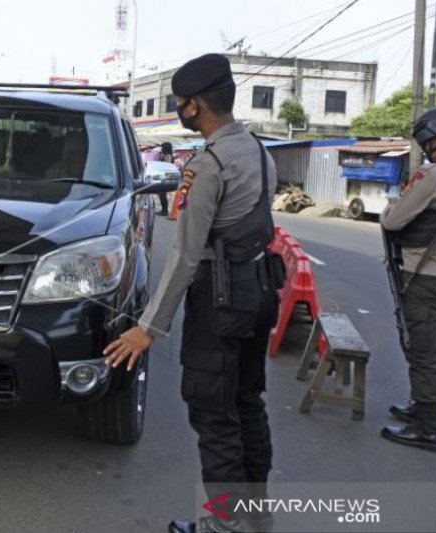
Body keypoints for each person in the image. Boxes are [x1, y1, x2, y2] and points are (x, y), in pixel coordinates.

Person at [103, 54, 279, 533]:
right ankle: (254, 517)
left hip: (220, 298)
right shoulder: (259, 151)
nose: (181, 110)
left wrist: (147, 329)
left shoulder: (209, 164)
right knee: (247, 402)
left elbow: (184, 256)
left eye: (181, 104)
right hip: (261, 288)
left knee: (213, 412)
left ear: (194, 107)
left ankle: (222, 526)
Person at [380, 106, 436, 455]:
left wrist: (391, 205)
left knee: (422, 353)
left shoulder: (433, 175)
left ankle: (429, 429)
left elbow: (393, 221)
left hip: (425, 277)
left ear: (432, 138)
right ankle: (431, 411)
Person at [157, 141, 175, 216]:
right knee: (162, 194)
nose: (161, 149)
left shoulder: (167, 156)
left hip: (166, 176)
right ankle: (164, 210)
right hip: (165, 176)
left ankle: (164, 211)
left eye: (162, 148)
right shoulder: (166, 155)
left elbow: (167, 166)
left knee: (162, 194)